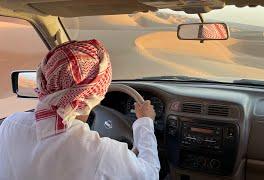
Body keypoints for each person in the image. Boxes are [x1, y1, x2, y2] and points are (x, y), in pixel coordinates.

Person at [0, 40, 160, 180]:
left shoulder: (10, 125)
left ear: (44, 80)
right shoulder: (101, 153)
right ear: (98, 92)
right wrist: (144, 123)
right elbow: (150, 173)